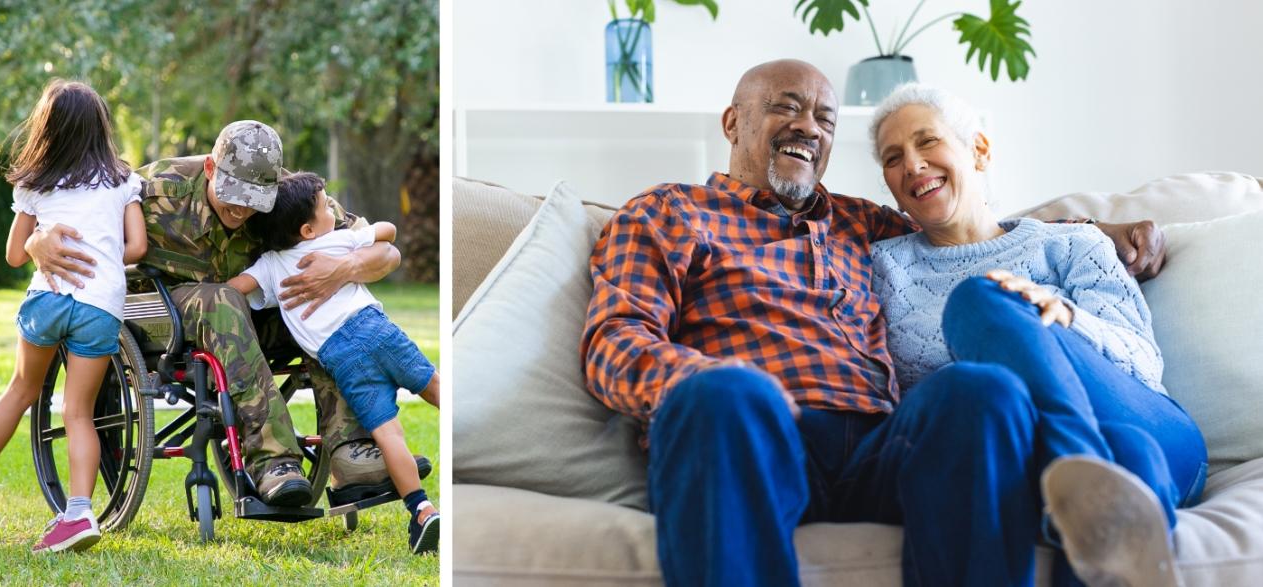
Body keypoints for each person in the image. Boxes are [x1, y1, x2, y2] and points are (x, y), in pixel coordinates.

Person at [580, 59, 1170, 587]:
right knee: (722, 396)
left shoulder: (863, 225)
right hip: (751, 434)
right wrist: (732, 384)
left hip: (880, 448)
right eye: (787, 106)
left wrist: (1094, 230)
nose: (808, 127)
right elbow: (615, 341)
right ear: (733, 123)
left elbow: (971, 229)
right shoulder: (668, 211)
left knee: (980, 390)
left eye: (825, 119)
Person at [868, 83, 1206, 586]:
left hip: (1147, 418)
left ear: (978, 150)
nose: (912, 165)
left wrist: (1064, 319)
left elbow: (1142, 363)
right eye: (893, 158)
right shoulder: (882, 268)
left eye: (927, 142)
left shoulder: (1073, 242)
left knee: (980, 301)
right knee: (1131, 455)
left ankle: (1078, 464)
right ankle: (1089, 490)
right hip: (1036, 457)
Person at [21, 120, 399, 508]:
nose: (241, 207)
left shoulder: (293, 198)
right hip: (159, 315)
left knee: (325, 309)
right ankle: (274, 462)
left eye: (255, 199)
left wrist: (343, 268)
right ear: (209, 168)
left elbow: (387, 251)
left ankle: (351, 451)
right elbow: (64, 215)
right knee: (222, 301)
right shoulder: (156, 191)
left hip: (248, 316)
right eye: (232, 192)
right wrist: (37, 239)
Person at [0, 79, 147, 553]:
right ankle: (78, 514)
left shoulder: (35, 183)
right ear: (100, 127)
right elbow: (139, 247)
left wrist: (40, 242)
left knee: (21, 389)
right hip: (99, 305)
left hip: (46, 300)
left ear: (47, 129)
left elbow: (13, 255)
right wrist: (104, 257)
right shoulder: (123, 180)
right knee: (78, 411)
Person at [227, 171, 441, 553]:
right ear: (308, 230)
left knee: (388, 435)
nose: (333, 210)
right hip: (377, 332)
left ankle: (422, 510)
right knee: (436, 387)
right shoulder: (338, 240)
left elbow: (233, 291)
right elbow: (388, 232)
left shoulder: (272, 266)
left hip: (342, 360)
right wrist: (359, 242)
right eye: (327, 205)